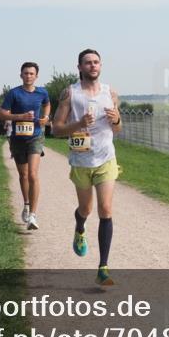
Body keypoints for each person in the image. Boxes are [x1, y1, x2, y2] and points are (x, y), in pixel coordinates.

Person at [52, 49, 122, 286]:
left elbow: (118, 129)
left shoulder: (110, 92)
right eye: (88, 63)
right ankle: (80, 228)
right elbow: (56, 129)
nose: (93, 66)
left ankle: (103, 267)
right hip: (81, 160)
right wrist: (79, 123)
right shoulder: (70, 93)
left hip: (106, 158)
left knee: (105, 208)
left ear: (101, 66)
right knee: (86, 209)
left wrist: (117, 120)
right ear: (79, 67)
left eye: (96, 62)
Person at [0, 63, 51, 231]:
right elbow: (1, 113)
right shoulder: (14, 93)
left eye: (32, 73)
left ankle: (33, 215)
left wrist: (46, 117)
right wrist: (21, 116)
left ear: (36, 76)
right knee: (24, 175)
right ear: (21, 75)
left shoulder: (42, 92)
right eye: (26, 73)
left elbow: (47, 104)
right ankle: (26, 204)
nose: (29, 76)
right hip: (18, 138)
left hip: (35, 136)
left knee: (33, 175)